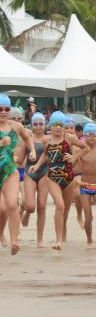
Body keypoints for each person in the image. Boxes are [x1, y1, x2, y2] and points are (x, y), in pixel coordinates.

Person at [27, 111, 82, 251]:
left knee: (66, 210)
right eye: (55, 125)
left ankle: (63, 229)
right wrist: (37, 166)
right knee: (60, 205)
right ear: (50, 126)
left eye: (60, 125)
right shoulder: (48, 140)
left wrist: (74, 157)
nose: (58, 127)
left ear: (64, 126)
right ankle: (58, 241)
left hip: (68, 177)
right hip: (52, 177)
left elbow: (86, 148)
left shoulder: (69, 138)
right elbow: (46, 154)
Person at [0, 95, 35, 255]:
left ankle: (14, 241)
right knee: (2, 209)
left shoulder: (15, 126)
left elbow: (27, 137)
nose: (3, 112)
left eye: (6, 109)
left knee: (12, 205)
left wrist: (32, 150)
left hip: (10, 171)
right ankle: (1, 233)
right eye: (0, 109)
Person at [21, 114, 49, 248]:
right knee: (31, 206)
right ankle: (26, 212)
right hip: (29, 172)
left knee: (42, 206)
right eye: (36, 124)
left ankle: (39, 239)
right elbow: (20, 158)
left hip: (44, 172)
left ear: (45, 124)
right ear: (32, 125)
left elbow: (52, 156)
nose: (38, 126)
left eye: (41, 124)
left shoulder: (48, 139)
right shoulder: (28, 139)